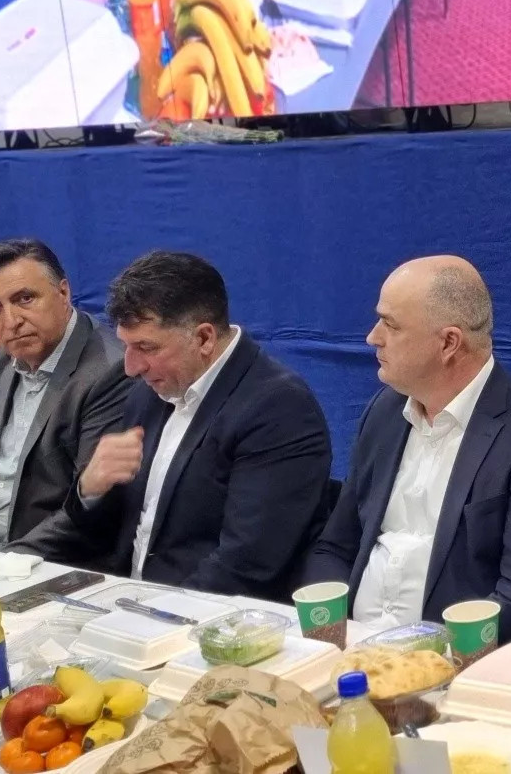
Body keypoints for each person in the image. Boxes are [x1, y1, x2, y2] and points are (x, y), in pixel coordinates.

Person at [298, 256, 511, 639]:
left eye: (390, 324)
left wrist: (410, 658)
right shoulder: (385, 413)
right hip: (352, 645)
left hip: (452, 657)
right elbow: (335, 548)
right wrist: (327, 636)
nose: (373, 337)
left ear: (449, 343)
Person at [65, 251, 333, 598]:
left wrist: (151, 614)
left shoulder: (278, 408)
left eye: (146, 347)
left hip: (204, 613)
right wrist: (90, 489)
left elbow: (247, 564)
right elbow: (112, 531)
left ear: (204, 338)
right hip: (124, 595)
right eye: (126, 346)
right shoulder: (147, 393)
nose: (131, 367)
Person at [0, 240, 132, 561]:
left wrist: (8, 563)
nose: (11, 321)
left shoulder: (110, 372)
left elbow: (95, 506)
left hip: (52, 563)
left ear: (63, 293)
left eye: (24, 299)